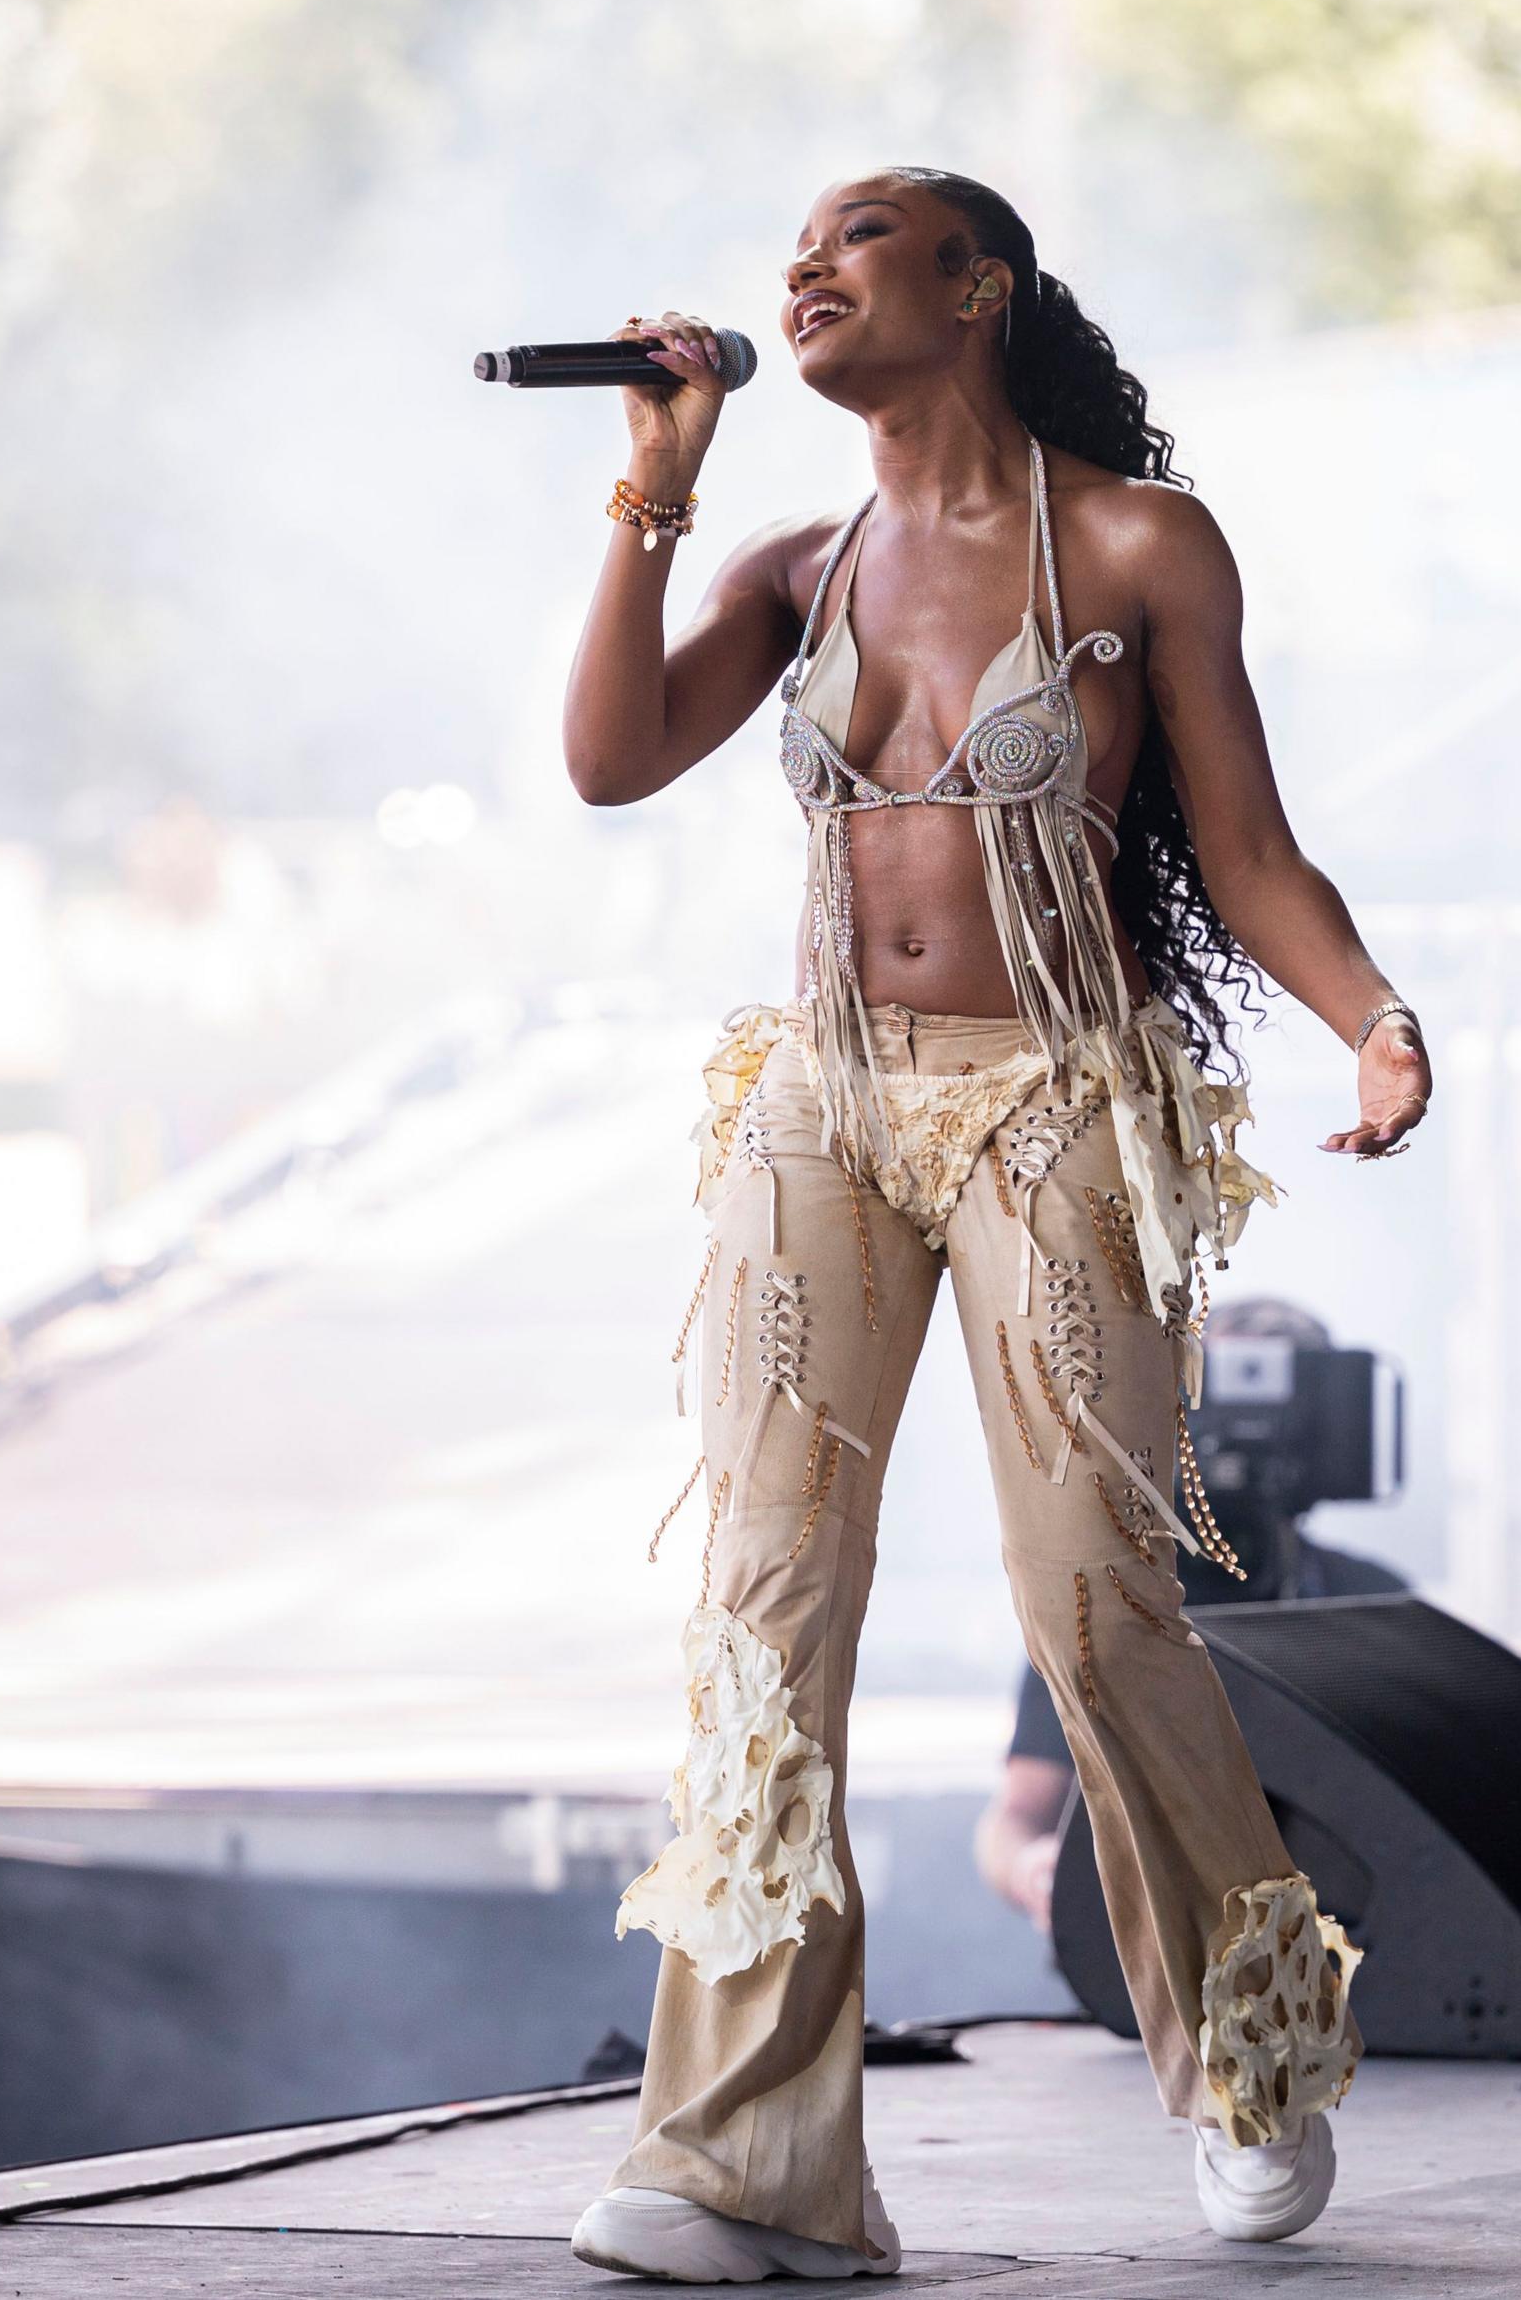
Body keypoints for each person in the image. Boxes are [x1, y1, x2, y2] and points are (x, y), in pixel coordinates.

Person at [558, 169, 1427, 2279]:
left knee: (1091, 1596)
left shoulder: (1132, 542)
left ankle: (1254, 2056)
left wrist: (1378, 1018)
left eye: (858, 236)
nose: (808, 265)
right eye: (798, 246)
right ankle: (747, 2162)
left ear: (976, 285)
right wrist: (652, 491)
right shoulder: (798, 558)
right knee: (761, 1603)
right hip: (829, 1098)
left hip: (1055, 1094)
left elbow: (1249, 851)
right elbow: (607, 759)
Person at [972, 1298, 1408, 1931]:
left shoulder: (1376, 1605)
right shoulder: (1106, 1603)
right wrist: (1034, 1871)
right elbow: (1019, 1815)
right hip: (1147, 1956)